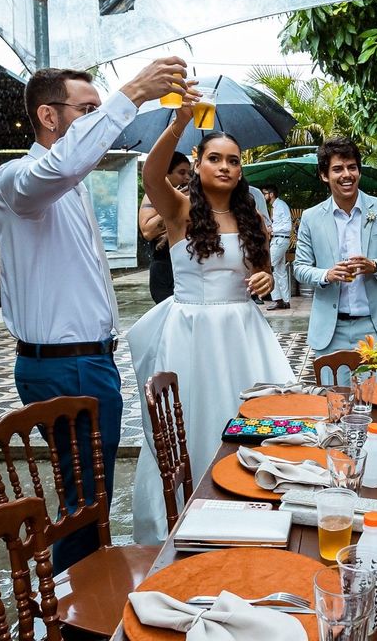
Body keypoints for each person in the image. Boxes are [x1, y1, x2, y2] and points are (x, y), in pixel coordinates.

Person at [0, 59, 187, 572]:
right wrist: (132, 93)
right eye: (89, 110)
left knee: (90, 498)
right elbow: (57, 168)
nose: (101, 119)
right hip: (62, 366)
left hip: (89, 362)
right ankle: (72, 610)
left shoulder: (72, 185)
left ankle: (80, 594)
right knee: (84, 504)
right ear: (49, 117)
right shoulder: (18, 179)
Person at [127, 104, 292, 545]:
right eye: (214, 158)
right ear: (197, 164)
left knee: (261, 423)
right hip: (192, 335)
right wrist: (180, 123)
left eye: (233, 160)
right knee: (197, 422)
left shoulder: (253, 219)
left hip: (243, 334)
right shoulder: (178, 209)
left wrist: (265, 278)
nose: (224, 166)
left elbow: (260, 276)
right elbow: (151, 175)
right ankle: (193, 520)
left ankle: (253, 513)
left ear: (241, 171)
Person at [293, 138, 377, 382]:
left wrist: (376, 265)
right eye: (338, 169)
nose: (346, 175)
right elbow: (300, 268)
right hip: (332, 329)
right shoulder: (311, 217)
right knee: (335, 405)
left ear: (359, 170)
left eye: (352, 167)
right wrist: (325, 275)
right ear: (324, 176)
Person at [139, 151, 191, 304]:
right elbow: (148, 231)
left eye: (189, 173)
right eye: (181, 172)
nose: (187, 177)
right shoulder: (153, 196)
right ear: (166, 173)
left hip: (187, 269)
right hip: (164, 269)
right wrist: (176, 203)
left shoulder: (191, 197)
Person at [261, 184, 293, 311]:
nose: (264, 196)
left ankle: (277, 300)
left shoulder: (280, 206)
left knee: (269, 267)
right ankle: (285, 301)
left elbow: (287, 227)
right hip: (278, 240)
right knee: (280, 271)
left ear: (271, 194)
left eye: (265, 193)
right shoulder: (276, 206)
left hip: (280, 240)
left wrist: (272, 229)